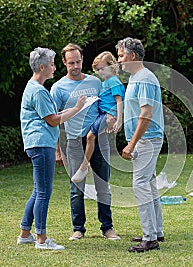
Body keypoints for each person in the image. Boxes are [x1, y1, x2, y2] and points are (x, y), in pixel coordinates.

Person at [18, 47, 86, 250]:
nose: (55, 68)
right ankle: (41, 239)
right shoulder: (38, 91)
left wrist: (72, 109)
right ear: (42, 67)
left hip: (37, 143)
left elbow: (52, 114)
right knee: (43, 192)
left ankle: (25, 233)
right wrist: (76, 109)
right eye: (52, 65)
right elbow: (53, 120)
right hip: (41, 144)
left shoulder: (35, 88)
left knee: (38, 190)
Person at [51, 43, 120, 241]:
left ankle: (107, 227)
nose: (75, 66)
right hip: (73, 142)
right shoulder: (58, 88)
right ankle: (78, 228)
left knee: (103, 185)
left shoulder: (96, 83)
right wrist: (57, 150)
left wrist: (113, 118)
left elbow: (108, 105)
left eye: (78, 61)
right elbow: (54, 120)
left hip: (99, 139)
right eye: (71, 62)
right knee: (76, 187)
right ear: (64, 63)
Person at [116, 37, 165, 252]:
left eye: (121, 55)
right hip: (146, 140)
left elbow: (146, 114)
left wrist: (132, 144)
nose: (119, 60)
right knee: (149, 184)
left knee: (141, 185)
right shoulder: (138, 77)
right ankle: (156, 232)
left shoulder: (144, 78)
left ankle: (150, 238)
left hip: (146, 140)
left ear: (132, 55)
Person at [71, 51, 125, 183]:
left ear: (112, 66)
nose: (100, 72)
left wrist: (118, 120)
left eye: (103, 68)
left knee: (90, 137)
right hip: (103, 115)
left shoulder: (113, 81)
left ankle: (84, 167)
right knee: (92, 137)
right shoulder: (106, 82)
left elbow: (119, 101)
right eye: (98, 69)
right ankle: (87, 163)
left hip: (108, 115)